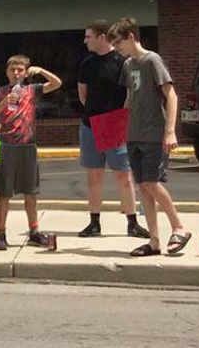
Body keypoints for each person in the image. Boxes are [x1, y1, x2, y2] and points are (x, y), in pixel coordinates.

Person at [108, 17, 190, 256]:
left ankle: (179, 227)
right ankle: (154, 241)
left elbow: (171, 95)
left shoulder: (152, 60)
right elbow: (129, 98)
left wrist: (170, 130)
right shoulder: (128, 65)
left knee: (152, 183)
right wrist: (121, 127)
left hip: (153, 132)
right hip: (134, 132)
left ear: (131, 37)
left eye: (119, 43)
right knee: (143, 188)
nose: (118, 48)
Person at [77, 20, 150, 239]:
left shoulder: (122, 62)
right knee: (93, 176)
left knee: (123, 175)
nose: (85, 40)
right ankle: (94, 222)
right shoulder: (86, 64)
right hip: (90, 125)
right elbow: (83, 95)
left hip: (115, 124)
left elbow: (130, 94)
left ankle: (132, 222)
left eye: (88, 36)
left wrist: (120, 119)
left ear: (101, 37)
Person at [0, 55, 62, 250]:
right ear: (6, 71)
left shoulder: (31, 90)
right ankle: (1, 234)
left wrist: (41, 71)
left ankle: (34, 232)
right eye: (13, 70)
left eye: (20, 70)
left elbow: (56, 84)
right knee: (4, 192)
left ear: (26, 71)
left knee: (30, 192)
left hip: (28, 145)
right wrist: (4, 102)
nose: (16, 73)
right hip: (7, 146)